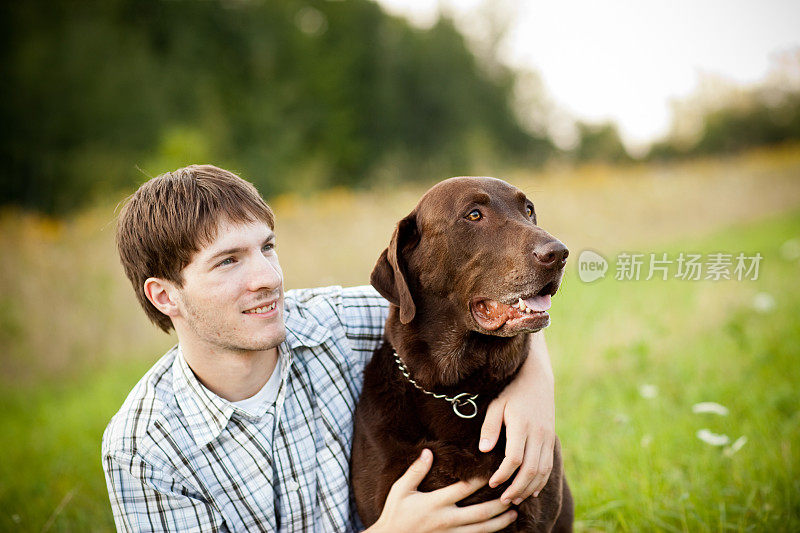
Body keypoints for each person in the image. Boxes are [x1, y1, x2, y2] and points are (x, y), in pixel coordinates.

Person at [102, 165, 557, 532]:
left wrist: (535, 383)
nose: (267, 279)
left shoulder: (334, 324)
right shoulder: (144, 450)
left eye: (267, 248)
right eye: (228, 262)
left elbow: (457, 306)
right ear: (164, 296)